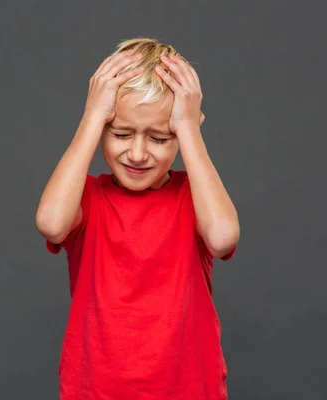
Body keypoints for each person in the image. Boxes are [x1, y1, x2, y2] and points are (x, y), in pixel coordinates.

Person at [35, 37, 240, 400]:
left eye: (160, 138)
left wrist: (189, 129)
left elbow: (223, 237)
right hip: (96, 390)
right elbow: (51, 223)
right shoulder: (89, 197)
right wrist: (92, 116)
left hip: (189, 390)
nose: (138, 152)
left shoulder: (193, 196)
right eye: (120, 133)